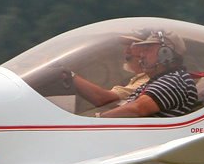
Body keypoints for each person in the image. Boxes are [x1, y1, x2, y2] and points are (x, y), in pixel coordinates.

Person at [60, 28, 197, 118]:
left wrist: (92, 121)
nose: (141, 55)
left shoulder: (173, 81)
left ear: (165, 54)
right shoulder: (159, 80)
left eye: (147, 49)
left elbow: (135, 109)